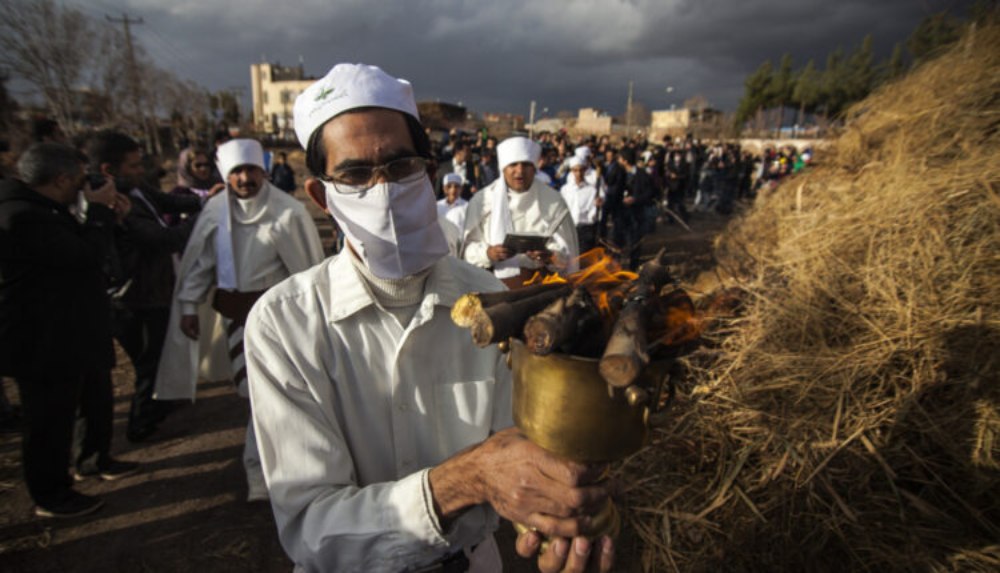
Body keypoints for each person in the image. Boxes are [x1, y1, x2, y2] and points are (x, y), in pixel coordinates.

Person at [245, 62, 613, 572]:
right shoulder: (284, 324)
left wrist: (552, 515)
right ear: (321, 196)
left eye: (400, 167)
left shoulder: (489, 300)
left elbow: (518, 449)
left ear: (429, 173)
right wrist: (468, 479)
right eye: (355, 174)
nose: (383, 190)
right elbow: (311, 525)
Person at [154, 138, 323, 501]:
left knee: (273, 393)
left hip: (276, 322)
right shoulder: (215, 212)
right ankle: (264, 470)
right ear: (227, 175)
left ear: (262, 171)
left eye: (251, 170)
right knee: (255, 396)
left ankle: (265, 472)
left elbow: (306, 272)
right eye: (237, 172)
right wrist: (187, 307)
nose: (245, 178)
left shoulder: (288, 212)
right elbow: (201, 265)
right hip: (235, 320)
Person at [0, 143, 138, 518]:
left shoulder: (44, 209)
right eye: (79, 181)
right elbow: (84, 257)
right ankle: (51, 494)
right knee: (48, 420)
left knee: (89, 401)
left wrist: (107, 217)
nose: (85, 187)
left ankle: (92, 459)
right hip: (43, 341)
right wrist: (96, 212)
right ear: (61, 179)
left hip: (72, 332)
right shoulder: (21, 216)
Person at [87, 131, 204, 442]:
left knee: (157, 355)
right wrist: (206, 215)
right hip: (136, 299)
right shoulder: (111, 203)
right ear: (109, 171)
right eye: (134, 166)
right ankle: (141, 426)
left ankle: (156, 411)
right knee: (147, 362)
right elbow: (164, 240)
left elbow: (168, 200)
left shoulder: (136, 190)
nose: (142, 170)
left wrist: (203, 199)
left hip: (154, 290)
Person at [462, 136, 579, 289]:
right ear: (503, 168)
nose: (520, 171)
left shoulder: (553, 201)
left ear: (534, 167)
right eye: (513, 165)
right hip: (490, 290)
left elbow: (569, 257)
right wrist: (488, 254)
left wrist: (549, 256)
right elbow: (466, 252)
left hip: (540, 290)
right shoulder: (483, 200)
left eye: (526, 164)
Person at [560, 156, 603, 254]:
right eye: (575, 170)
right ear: (572, 171)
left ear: (584, 171)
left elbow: (594, 216)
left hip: (585, 230)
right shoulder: (565, 190)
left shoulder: (592, 191)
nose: (578, 173)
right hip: (568, 229)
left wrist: (597, 206)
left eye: (581, 170)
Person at [437, 172, 468, 257]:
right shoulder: (437, 206)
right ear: (444, 188)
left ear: (461, 189)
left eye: (456, 187)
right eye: (449, 186)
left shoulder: (466, 206)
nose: (453, 190)